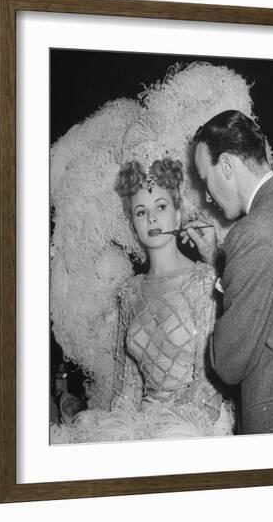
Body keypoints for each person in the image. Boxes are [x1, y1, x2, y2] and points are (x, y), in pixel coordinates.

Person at [183, 109, 273, 435]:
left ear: (226, 166)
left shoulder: (252, 232)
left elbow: (228, 363)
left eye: (206, 180)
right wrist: (216, 259)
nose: (207, 196)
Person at [109, 157, 234, 437]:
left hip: (196, 425)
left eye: (161, 207)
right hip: (143, 424)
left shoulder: (203, 281)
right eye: (141, 212)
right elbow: (126, 386)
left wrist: (162, 429)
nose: (152, 218)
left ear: (177, 215)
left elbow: (208, 384)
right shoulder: (130, 292)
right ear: (133, 225)